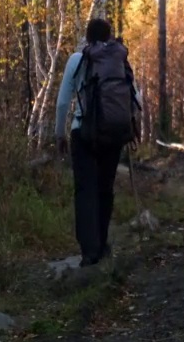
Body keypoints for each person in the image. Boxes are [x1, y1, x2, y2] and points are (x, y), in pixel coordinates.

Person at [55, 18, 141, 267]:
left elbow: (62, 102)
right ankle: (102, 246)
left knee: (85, 190)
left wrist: (59, 134)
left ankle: (89, 252)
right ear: (109, 35)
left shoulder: (78, 59)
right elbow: (136, 99)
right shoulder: (119, 60)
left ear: (87, 36)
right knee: (105, 189)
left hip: (83, 132)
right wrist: (132, 127)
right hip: (113, 134)